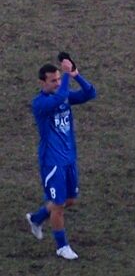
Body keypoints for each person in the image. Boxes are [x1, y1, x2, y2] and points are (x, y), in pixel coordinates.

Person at [25, 53, 96, 260]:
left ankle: (37, 219)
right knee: (58, 206)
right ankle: (61, 246)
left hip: (69, 159)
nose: (57, 83)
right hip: (52, 161)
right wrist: (66, 76)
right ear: (42, 82)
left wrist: (76, 75)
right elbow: (58, 98)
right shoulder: (40, 104)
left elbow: (90, 93)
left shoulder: (62, 94)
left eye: (58, 79)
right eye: (52, 80)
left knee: (69, 200)